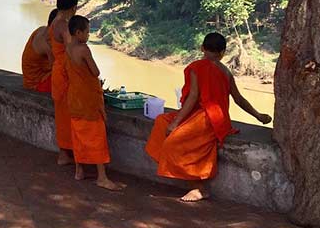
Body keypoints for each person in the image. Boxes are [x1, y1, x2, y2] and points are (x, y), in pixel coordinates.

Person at [145, 32, 272, 202]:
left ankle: (199, 188)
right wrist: (258, 116)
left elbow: (192, 97)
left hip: (209, 118)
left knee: (174, 140)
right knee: (162, 121)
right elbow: (239, 99)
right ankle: (168, 164)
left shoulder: (199, 68)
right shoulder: (223, 70)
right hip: (206, 115)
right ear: (223, 52)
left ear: (202, 48)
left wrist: (176, 123)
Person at [66, 15, 125, 190]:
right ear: (78, 33)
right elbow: (95, 71)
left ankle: (79, 170)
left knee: (78, 135)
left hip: (75, 98)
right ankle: (101, 176)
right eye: (87, 32)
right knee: (96, 137)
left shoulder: (68, 47)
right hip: (88, 100)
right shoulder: (84, 49)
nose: (89, 36)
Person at [49, 0, 78, 165]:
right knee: (68, 114)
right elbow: (72, 48)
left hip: (58, 70)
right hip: (65, 72)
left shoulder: (54, 21)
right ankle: (69, 152)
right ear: (74, 7)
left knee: (62, 114)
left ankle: (65, 152)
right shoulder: (63, 25)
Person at [21, 9, 58, 93]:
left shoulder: (42, 29)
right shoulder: (46, 44)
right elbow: (57, 69)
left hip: (34, 79)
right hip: (36, 84)